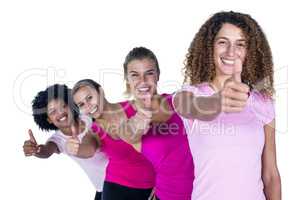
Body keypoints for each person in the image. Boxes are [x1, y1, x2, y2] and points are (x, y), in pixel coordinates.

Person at [173, 11, 282, 200]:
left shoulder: (263, 103)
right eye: (222, 42)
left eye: (240, 44)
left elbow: (271, 174)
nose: (231, 51)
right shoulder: (189, 94)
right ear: (210, 48)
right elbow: (191, 107)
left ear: (249, 52)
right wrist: (219, 101)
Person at [117, 47, 248, 200]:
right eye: (135, 75)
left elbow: (202, 106)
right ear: (127, 79)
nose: (143, 81)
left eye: (149, 73)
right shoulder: (126, 116)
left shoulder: (177, 99)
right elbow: (129, 133)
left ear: (158, 75)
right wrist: (141, 117)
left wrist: (221, 98)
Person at [70, 79, 155, 200]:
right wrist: (77, 149)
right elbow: (89, 147)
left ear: (101, 92)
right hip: (116, 188)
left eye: (89, 98)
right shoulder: (93, 131)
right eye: (81, 104)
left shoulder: (135, 107)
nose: (88, 105)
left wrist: (161, 182)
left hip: (152, 186)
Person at [23, 84, 108, 200]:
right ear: (48, 119)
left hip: (127, 178)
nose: (61, 113)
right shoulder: (57, 140)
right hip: (102, 187)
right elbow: (46, 151)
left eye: (63, 106)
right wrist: (37, 150)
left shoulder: (88, 117)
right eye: (53, 111)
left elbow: (92, 146)